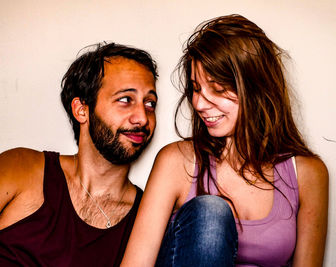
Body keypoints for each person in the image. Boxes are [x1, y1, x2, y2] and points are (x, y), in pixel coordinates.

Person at [121, 14, 328, 267]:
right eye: (196, 88)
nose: (198, 103)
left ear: (257, 89)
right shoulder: (177, 162)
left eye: (217, 89)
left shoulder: (307, 173)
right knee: (211, 212)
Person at [0, 42, 158, 266]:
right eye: (125, 99)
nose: (142, 117)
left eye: (150, 103)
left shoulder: (146, 220)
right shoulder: (21, 168)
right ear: (82, 110)